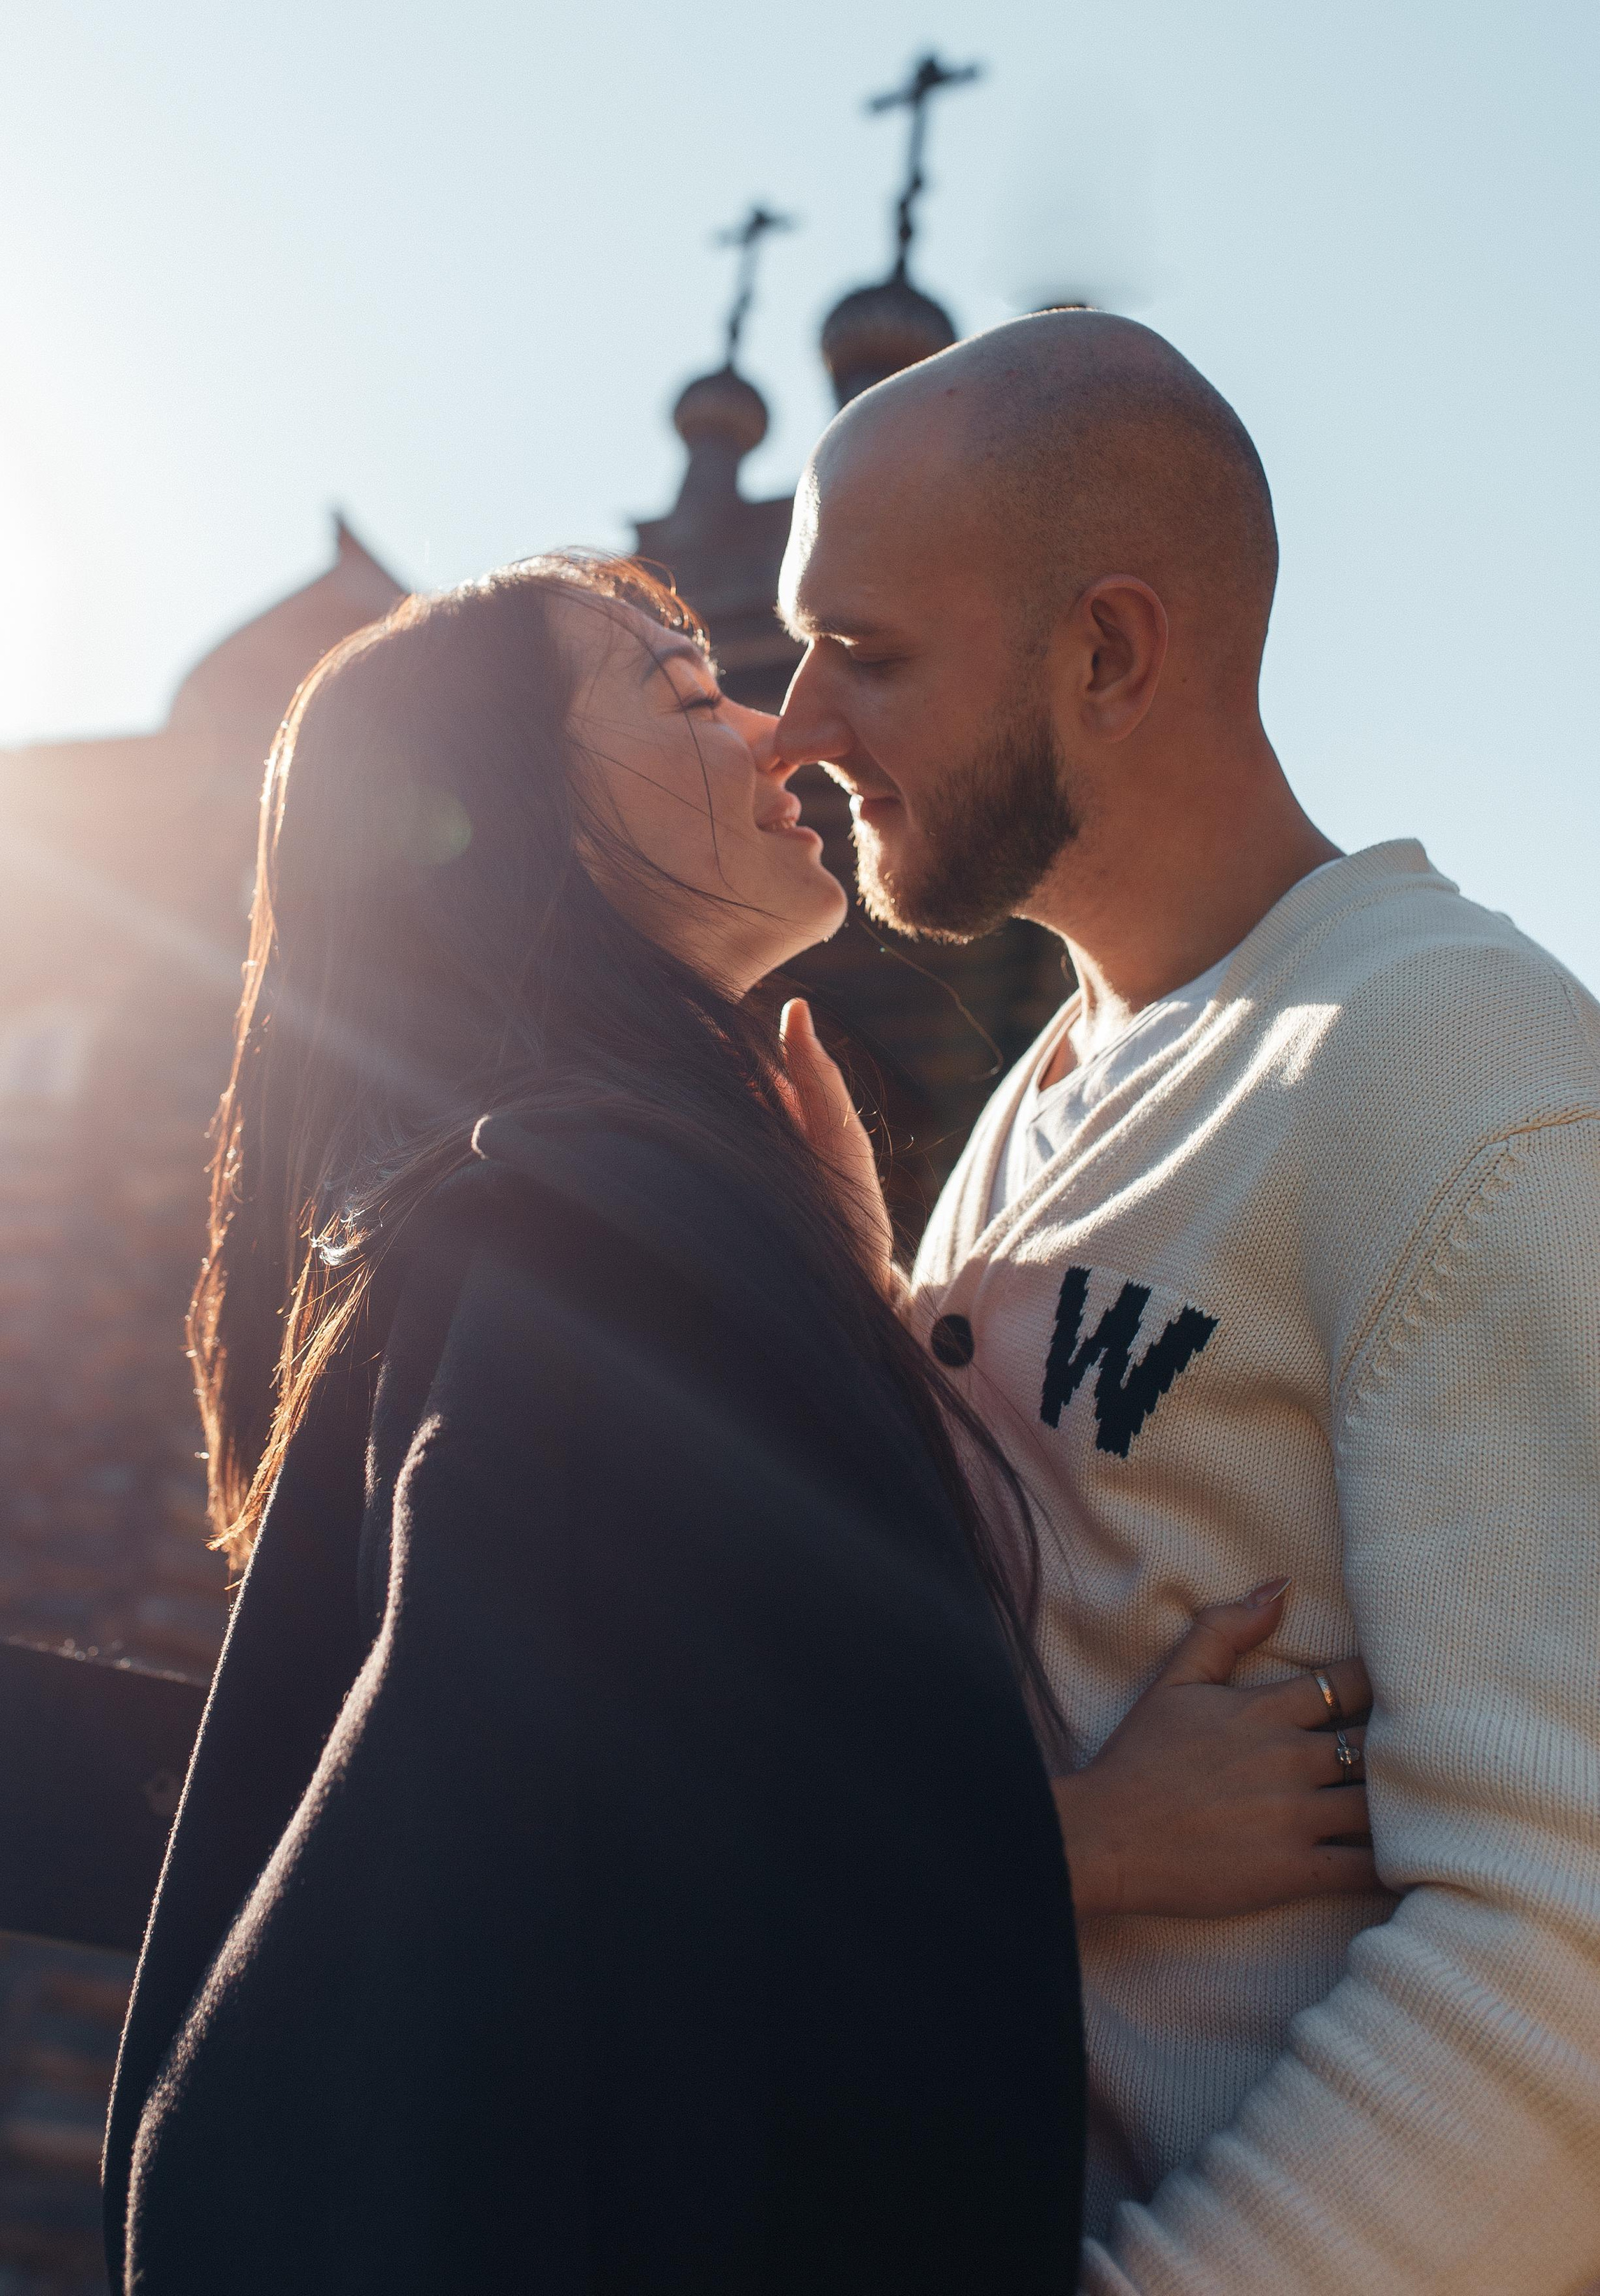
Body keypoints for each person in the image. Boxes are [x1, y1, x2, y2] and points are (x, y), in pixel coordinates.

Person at [103, 554, 1374, 2293]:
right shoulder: (582, 1221)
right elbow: (499, 1890)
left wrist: (846, 1289)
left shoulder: (577, 1198)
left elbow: (691, 1719)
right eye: (687, 695)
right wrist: (1078, 1847)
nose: (780, 731)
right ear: (513, 812)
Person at [774, 310, 1600, 2296]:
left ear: (1112, 654)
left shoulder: (1453, 1071)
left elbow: (1568, 1942)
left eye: (868, 653)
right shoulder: (1044, 1097)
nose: (793, 719)